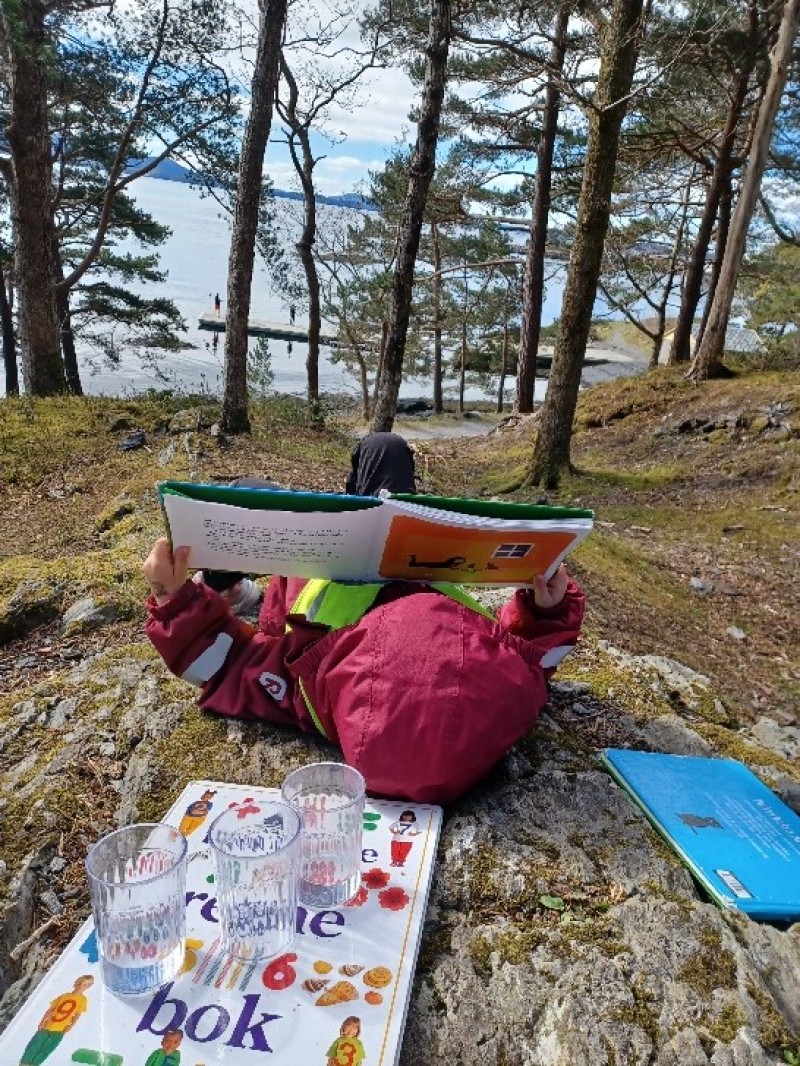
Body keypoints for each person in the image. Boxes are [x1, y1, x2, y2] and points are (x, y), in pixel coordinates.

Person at [143, 436, 585, 804]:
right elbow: (538, 650)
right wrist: (546, 607)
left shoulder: (309, 691)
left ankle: (227, 588)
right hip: (410, 555)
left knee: (252, 489)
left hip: (312, 556)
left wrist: (174, 596)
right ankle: (369, 506)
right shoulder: (508, 684)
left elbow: (224, 666)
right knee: (386, 448)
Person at [18, 975, 94, 1066]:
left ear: (88, 987)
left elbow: (77, 1015)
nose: (82, 986)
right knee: (34, 1045)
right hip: (47, 1026)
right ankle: (24, 1063)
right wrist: (42, 1021)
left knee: (47, 1049)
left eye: (85, 985)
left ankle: (34, 1064)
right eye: (81, 983)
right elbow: (51, 1009)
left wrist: (70, 1026)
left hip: (60, 1030)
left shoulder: (83, 1000)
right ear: (76, 983)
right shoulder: (64, 996)